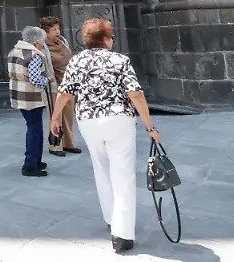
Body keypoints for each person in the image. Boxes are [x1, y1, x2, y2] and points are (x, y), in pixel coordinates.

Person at [50, 18, 160, 254]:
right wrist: (150, 127)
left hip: (88, 121)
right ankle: (121, 235)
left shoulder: (76, 61)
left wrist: (55, 118)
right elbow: (136, 94)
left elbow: (64, 92)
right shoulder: (120, 60)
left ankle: (111, 217)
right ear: (106, 39)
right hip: (118, 120)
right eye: (112, 37)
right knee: (123, 174)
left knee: (101, 168)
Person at [7, 26, 51, 177]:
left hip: (18, 93)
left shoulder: (14, 51)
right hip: (30, 97)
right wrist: (48, 80)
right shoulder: (34, 55)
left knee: (34, 127)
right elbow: (35, 79)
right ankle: (30, 165)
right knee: (35, 130)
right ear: (36, 41)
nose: (43, 44)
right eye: (42, 41)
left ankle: (36, 161)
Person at [38, 15, 80, 156]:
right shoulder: (43, 47)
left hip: (67, 84)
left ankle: (68, 143)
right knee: (54, 116)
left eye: (58, 28)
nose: (57, 31)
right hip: (53, 86)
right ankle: (55, 146)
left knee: (68, 115)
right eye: (53, 29)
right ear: (46, 32)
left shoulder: (63, 41)